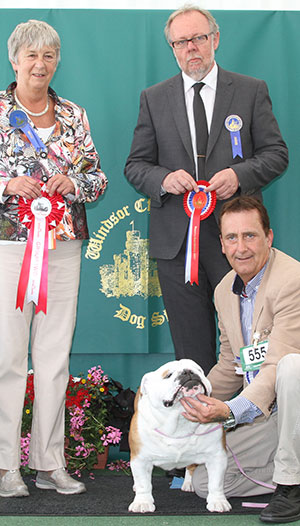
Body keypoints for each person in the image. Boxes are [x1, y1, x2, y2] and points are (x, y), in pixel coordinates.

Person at [124, 5, 288, 375]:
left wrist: (239, 175)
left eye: (198, 38)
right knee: (192, 353)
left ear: (215, 39)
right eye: (181, 42)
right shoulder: (154, 97)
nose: (191, 47)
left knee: (250, 343)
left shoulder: (250, 90)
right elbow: (135, 166)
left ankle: (253, 423)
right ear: (172, 48)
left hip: (238, 242)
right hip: (177, 246)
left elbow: (277, 155)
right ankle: (201, 428)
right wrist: (163, 180)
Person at [0, 20, 107, 497]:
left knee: (53, 358)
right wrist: (5, 185)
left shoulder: (74, 114)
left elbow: (97, 178)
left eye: (49, 56)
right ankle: (6, 468)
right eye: (31, 56)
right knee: (6, 357)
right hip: (9, 245)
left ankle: (49, 463)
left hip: (63, 246)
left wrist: (75, 185)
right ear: (14, 60)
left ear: (57, 61)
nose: (40, 65)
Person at [180, 196, 300, 523]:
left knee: (293, 368)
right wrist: (191, 402)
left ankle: (291, 483)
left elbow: (277, 362)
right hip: (269, 419)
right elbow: (230, 366)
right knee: (206, 482)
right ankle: (289, 465)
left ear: (269, 237)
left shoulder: (292, 280)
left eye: (250, 236)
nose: (241, 247)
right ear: (221, 244)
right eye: (232, 238)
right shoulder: (223, 290)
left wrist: (230, 411)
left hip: (294, 408)